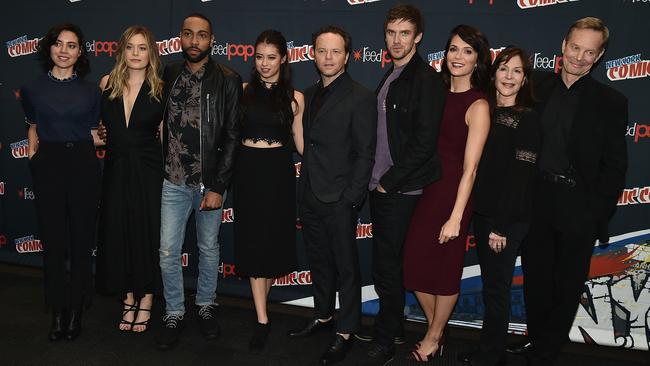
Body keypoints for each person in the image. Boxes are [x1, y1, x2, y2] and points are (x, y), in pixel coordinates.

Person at [520, 17, 627, 366]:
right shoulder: (535, 86)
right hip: (535, 200)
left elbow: (615, 166)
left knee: (566, 287)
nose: (580, 57)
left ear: (599, 57)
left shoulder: (610, 101)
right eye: (576, 48)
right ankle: (535, 342)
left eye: (589, 52)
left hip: (577, 205)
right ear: (564, 45)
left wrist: (596, 213)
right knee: (536, 280)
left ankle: (546, 354)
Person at [356, 4, 447, 366]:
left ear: (418, 37)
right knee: (387, 264)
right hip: (384, 186)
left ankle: (387, 337)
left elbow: (425, 143)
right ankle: (390, 327)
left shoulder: (424, 79)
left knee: (388, 267)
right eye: (391, 33)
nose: (396, 40)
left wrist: (387, 183)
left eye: (404, 33)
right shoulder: (392, 74)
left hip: (399, 190)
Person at [287, 26, 377, 365]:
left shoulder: (361, 96)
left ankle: (347, 330)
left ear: (347, 55)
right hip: (309, 192)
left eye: (335, 51)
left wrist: (352, 198)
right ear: (313, 53)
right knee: (319, 262)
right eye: (322, 50)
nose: (327, 57)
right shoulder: (308, 94)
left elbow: (366, 152)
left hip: (340, 197)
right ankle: (323, 315)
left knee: (346, 267)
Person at [401, 24, 491, 362]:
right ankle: (437, 327)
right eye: (454, 49)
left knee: (445, 269)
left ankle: (435, 334)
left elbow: (471, 169)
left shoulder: (478, 105)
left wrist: (456, 217)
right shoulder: (437, 93)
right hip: (427, 189)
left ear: (478, 60)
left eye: (468, 51)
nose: (458, 56)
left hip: (455, 195)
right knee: (413, 265)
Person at [156, 13, 242, 350]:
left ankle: (206, 306)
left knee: (208, 249)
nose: (194, 41)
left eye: (202, 35)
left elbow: (234, 136)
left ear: (211, 40)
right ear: (180, 37)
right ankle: (174, 311)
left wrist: (219, 186)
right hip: (172, 180)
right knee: (167, 251)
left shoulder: (228, 79)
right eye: (188, 34)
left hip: (208, 183)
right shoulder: (166, 74)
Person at [459, 47, 542, 366]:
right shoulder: (484, 110)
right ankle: (487, 348)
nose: (509, 77)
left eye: (517, 71)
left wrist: (501, 226)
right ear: (493, 74)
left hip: (506, 220)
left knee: (496, 289)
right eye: (504, 69)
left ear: (524, 80)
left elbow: (522, 178)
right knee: (492, 286)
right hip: (483, 213)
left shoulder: (528, 119)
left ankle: (491, 355)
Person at [20, 23, 102, 341]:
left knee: (81, 241)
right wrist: (32, 154)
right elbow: (32, 126)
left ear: (80, 52)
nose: (64, 50)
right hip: (49, 166)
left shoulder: (92, 91)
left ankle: (77, 309)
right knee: (54, 243)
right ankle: (57, 311)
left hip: (82, 164)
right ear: (49, 48)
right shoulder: (32, 89)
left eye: (71, 45)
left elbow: (94, 134)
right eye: (58, 44)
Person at [233, 29, 304, 351]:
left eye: (271, 57)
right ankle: (262, 318)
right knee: (252, 241)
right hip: (248, 170)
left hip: (278, 171)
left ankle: (263, 308)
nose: (264, 63)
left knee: (271, 242)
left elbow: (301, 144)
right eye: (259, 57)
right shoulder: (243, 92)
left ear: (283, 59)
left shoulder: (295, 98)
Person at [95, 25, 164, 334]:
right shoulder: (107, 83)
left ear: (151, 53)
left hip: (148, 170)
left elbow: (166, 138)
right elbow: (99, 130)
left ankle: (146, 299)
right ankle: (127, 299)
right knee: (118, 231)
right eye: (130, 47)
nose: (136, 54)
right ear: (122, 50)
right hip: (115, 168)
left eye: (142, 48)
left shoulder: (161, 88)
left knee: (145, 232)